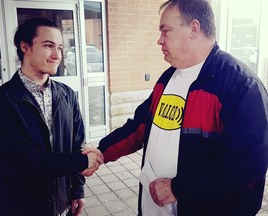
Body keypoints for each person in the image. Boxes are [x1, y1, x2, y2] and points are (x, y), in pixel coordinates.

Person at [97, 0, 268, 215]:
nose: (159, 40)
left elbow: (248, 165)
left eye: (165, 31)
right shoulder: (168, 78)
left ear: (194, 29)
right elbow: (140, 126)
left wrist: (178, 188)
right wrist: (101, 152)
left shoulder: (240, 85)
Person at [0, 17, 103, 216]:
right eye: (48, 46)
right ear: (25, 47)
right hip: (21, 207)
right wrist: (80, 162)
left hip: (62, 204)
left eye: (60, 47)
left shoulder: (67, 95)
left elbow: (77, 145)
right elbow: (20, 162)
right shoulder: (0, 102)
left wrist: (77, 190)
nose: (57, 55)